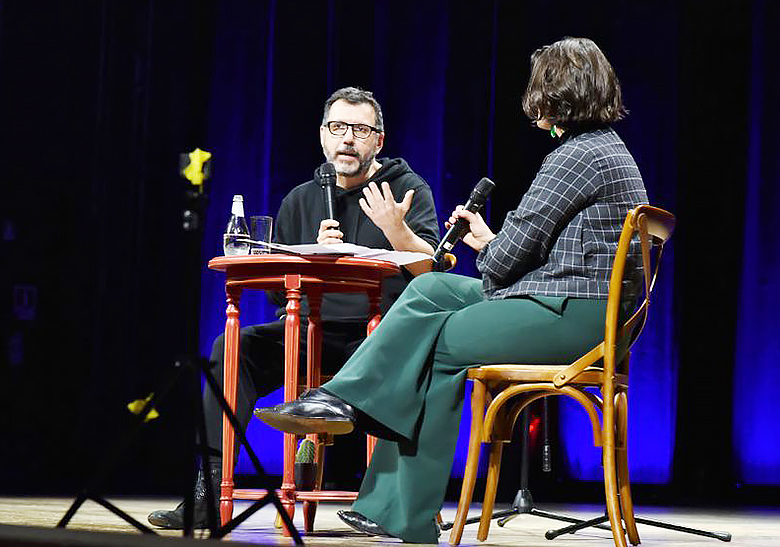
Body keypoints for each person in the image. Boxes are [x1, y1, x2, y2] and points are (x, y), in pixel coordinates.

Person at [255, 37, 650, 543]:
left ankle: (405, 507)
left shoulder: (574, 158)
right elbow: (525, 251)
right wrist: (492, 243)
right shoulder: (604, 150)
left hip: (569, 312)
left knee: (434, 344)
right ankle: (343, 409)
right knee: (432, 290)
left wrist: (490, 246)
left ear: (555, 93)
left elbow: (505, 262)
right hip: (571, 304)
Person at [148, 87, 440, 529]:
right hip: (308, 332)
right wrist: (311, 258)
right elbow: (274, 293)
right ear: (323, 136)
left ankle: (393, 502)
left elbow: (430, 275)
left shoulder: (405, 189)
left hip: (379, 339)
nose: (348, 140)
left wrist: (395, 230)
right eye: (338, 128)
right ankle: (206, 490)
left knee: (419, 356)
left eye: (361, 130)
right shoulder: (302, 198)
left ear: (378, 141)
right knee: (230, 347)